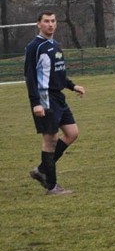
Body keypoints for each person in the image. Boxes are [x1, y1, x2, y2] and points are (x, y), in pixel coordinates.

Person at [24, 11, 85, 195]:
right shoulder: (34, 47)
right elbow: (30, 76)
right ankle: (52, 186)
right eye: (46, 21)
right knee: (50, 140)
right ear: (39, 24)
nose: (50, 24)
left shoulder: (56, 45)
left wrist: (72, 86)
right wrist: (36, 103)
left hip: (58, 97)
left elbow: (59, 73)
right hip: (44, 97)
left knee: (72, 133)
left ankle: (42, 170)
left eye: (53, 21)